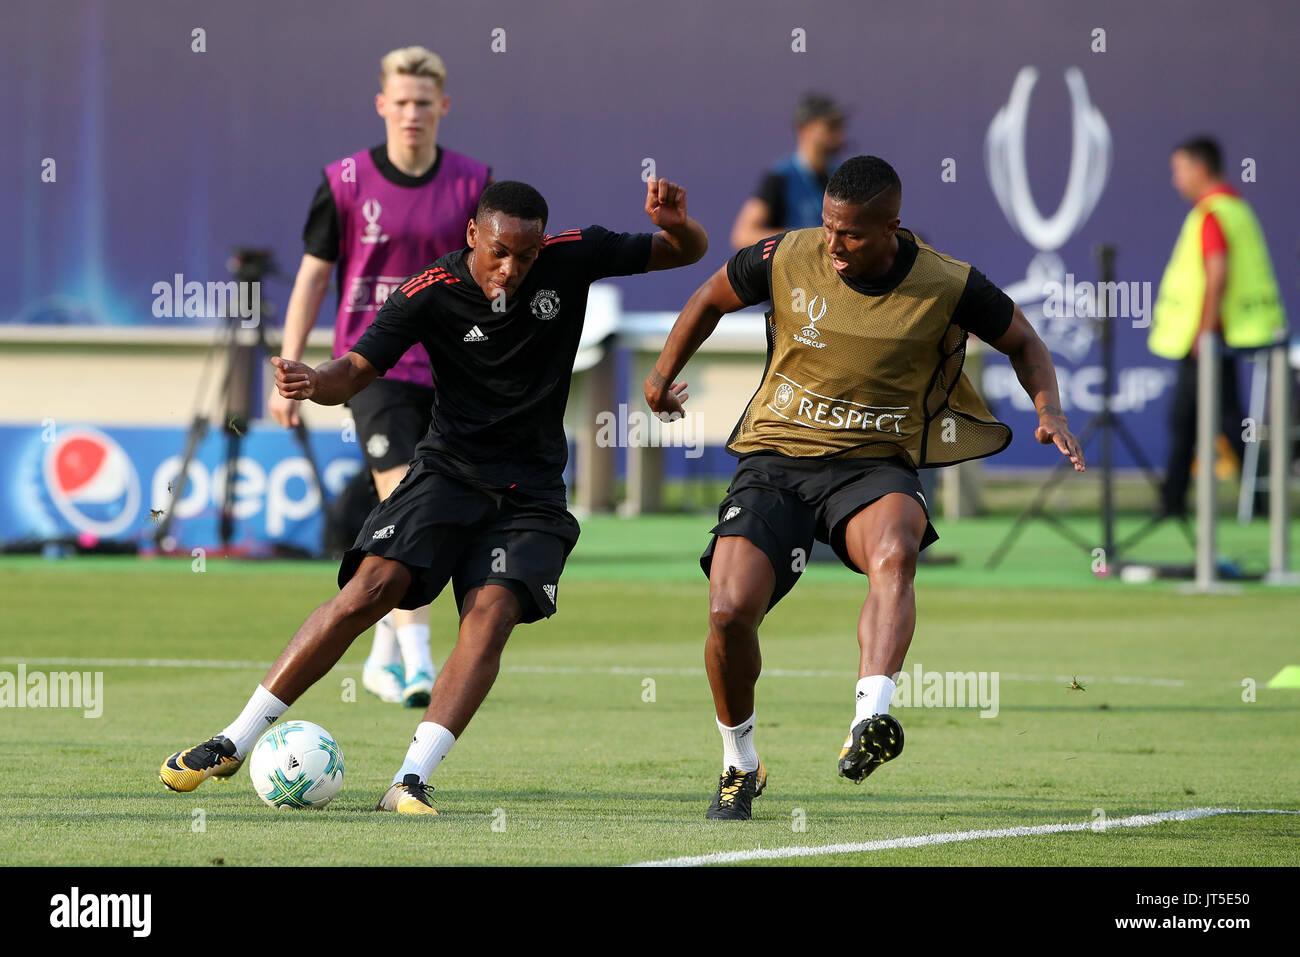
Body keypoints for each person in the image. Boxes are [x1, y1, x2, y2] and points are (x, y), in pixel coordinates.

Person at [160, 177, 708, 814]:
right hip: (447, 472)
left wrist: (677, 223)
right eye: (499, 252)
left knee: (492, 615)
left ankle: (410, 780)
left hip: (530, 492)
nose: (512, 269)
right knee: (370, 589)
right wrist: (314, 379)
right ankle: (234, 739)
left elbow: (686, 251)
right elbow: (355, 372)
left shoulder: (574, 254)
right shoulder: (429, 291)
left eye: (526, 257)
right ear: (472, 235)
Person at [644, 156, 1084, 820]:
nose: (834, 245)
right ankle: (739, 762)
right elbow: (710, 296)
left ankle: (868, 719)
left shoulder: (947, 281)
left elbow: (1023, 339)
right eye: (828, 228)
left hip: (875, 463)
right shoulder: (787, 254)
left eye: (851, 233)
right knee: (729, 612)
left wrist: (1048, 411)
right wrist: (662, 373)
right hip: (776, 457)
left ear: (891, 227)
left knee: (896, 549)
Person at [270, 45, 491, 708]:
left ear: (443, 107)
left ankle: (384, 649)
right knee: (405, 498)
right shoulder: (343, 181)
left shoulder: (473, 182)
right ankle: (419, 663)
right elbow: (313, 275)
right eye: (401, 102)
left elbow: (492, 277)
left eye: (424, 103)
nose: (412, 114)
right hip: (370, 368)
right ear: (382, 106)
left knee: (424, 507)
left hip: (450, 371)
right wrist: (292, 366)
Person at [1149, 136, 1286, 518]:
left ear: (1200, 169)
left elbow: (1217, 273)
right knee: (1196, 419)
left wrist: (1204, 332)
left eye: (1179, 170)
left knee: (1212, 420)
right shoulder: (1237, 210)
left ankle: (1250, 504)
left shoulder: (1212, 214)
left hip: (1211, 338)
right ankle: (1176, 501)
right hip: (1231, 333)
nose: (1176, 179)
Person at [730, 93, 847, 250]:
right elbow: (743, 235)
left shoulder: (841, 177)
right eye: (831, 126)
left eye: (840, 126)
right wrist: (800, 238)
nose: (839, 134)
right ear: (805, 130)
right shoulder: (781, 178)